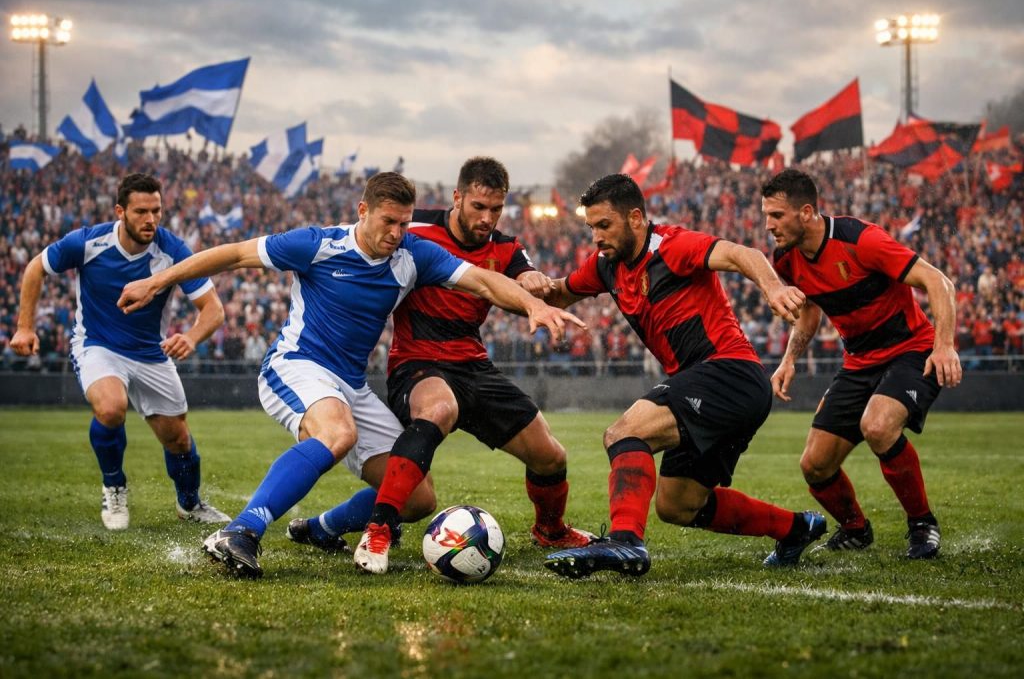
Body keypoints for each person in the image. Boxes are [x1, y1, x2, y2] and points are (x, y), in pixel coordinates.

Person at [117, 172, 583, 578]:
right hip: (297, 365)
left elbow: (482, 280)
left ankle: (320, 528)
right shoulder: (318, 244)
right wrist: (158, 282)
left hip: (351, 384)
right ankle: (241, 532)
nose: (397, 233)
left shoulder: (413, 255)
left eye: (405, 223)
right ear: (364, 211)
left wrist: (533, 305)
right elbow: (235, 254)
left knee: (417, 497)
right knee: (337, 433)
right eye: (388, 222)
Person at [295, 157, 593, 570]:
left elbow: (525, 276)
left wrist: (533, 280)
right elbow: (362, 244)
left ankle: (550, 529)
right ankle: (377, 532)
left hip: (473, 365)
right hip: (416, 364)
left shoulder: (506, 247)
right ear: (458, 198)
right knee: (438, 409)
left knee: (551, 457)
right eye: (478, 207)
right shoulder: (413, 230)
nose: (487, 218)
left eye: (495, 209)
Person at [538, 173, 825, 579]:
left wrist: (773, 289)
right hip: (712, 386)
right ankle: (797, 528)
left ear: (635, 218)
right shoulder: (606, 267)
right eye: (591, 227)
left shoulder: (672, 246)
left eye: (604, 225)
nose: (596, 237)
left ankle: (625, 542)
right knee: (679, 504)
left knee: (624, 433)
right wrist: (523, 282)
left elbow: (742, 254)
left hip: (729, 373)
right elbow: (558, 292)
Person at [11, 172, 229, 530]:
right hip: (98, 345)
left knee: (178, 438)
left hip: (150, 353)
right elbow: (36, 267)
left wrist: (190, 337)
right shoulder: (87, 242)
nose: (151, 219)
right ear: (120, 211)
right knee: (111, 409)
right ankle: (114, 486)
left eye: (157, 211)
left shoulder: (172, 250)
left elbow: (214, 310)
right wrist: (24, 326)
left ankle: (190, 504)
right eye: (142, 211)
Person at [762, 168, 960, 559]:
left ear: (806, 212)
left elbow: (938, 282)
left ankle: (922, 524)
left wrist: (944, 345)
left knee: (878, 425)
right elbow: (809, 311)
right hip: (858, 363)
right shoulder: (785, 259)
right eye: (766, 215)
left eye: (777, 216)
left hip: (911, 350)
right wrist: (789, 360)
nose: (769, 225)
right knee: (815, 466)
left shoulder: (862, 240)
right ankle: (855, 528)